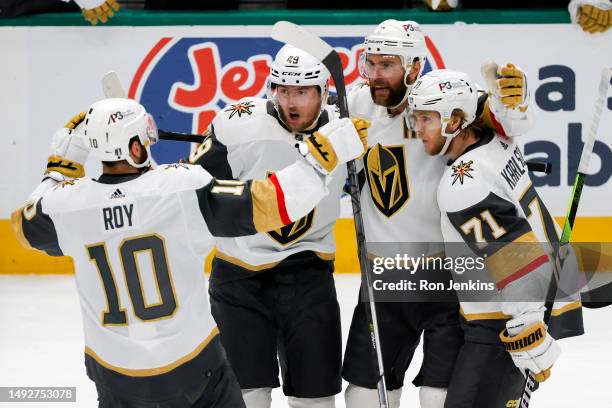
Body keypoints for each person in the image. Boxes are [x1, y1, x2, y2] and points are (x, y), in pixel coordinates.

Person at [11, 97, 367, 408]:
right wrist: (320, 158)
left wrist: (59, 166)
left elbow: (24, 223)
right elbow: (269, 204)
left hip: (113, 374)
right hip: (192, 368)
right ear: (136, 148)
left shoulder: (66, 207)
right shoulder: (180, 190)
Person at [342, 19, 538, 408]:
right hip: (384, 275)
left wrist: (514, 101)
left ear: (414, 67)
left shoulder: (447, 101)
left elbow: (510, 121)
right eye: (371, 63)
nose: (375, 76)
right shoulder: (355, 104)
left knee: (439, 397)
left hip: (445, 277)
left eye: (388, 66)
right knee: (363, 396)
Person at [174, 44, 367, 408]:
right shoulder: (237, 122)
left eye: (302, 92)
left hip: (308, 273)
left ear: (322, 92)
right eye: (283, 90)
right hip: (239, 278)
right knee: (247, 397)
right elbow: (193, 188)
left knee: (316, 398)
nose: (290, 102)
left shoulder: (345, 126)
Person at [410, 68, 584, 407]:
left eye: (427, 118)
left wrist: (526, 331)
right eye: (416, 118)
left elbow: (515, 258)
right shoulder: (495, 140)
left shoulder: (463, 184)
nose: (418, 129)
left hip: (503, 322)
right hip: (533, 298)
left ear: (456, 120)